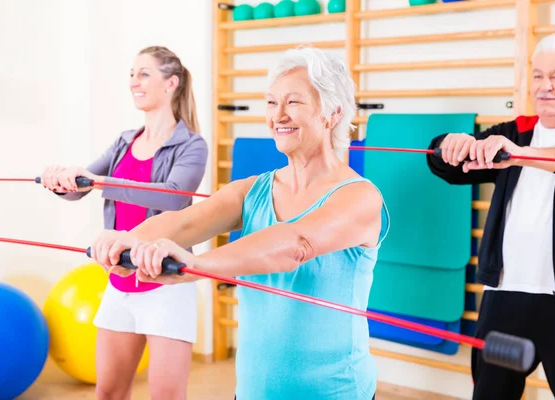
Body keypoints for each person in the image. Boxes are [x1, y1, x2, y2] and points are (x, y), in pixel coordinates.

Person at [89, 46, 389, 400]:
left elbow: (295, 245)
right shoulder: (253, 190)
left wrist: (197, 266)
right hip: (252, 392)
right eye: (271, 102)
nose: (278, 115)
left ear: (332, 112)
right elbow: (184, 223)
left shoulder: (360, 197)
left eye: (293, 102)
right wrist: (127, 239)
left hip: (336, 393)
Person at [426, 32, 555, 400]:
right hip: (505, 296)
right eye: (537, 75)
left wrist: (518, 154)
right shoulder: (515, 131)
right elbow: (449, 167)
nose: (544, 87)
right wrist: (448, 145)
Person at [40, 46, 208, 400]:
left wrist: (97, 181)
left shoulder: (191, 145)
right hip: (120, 282)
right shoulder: (123, 142)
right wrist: (62, 180)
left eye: (144, 73)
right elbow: (82, 188)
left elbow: (173, 197)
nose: (134, 81)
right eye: (132, 74)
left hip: (167, 286)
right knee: (109, 394)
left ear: (171, 83)